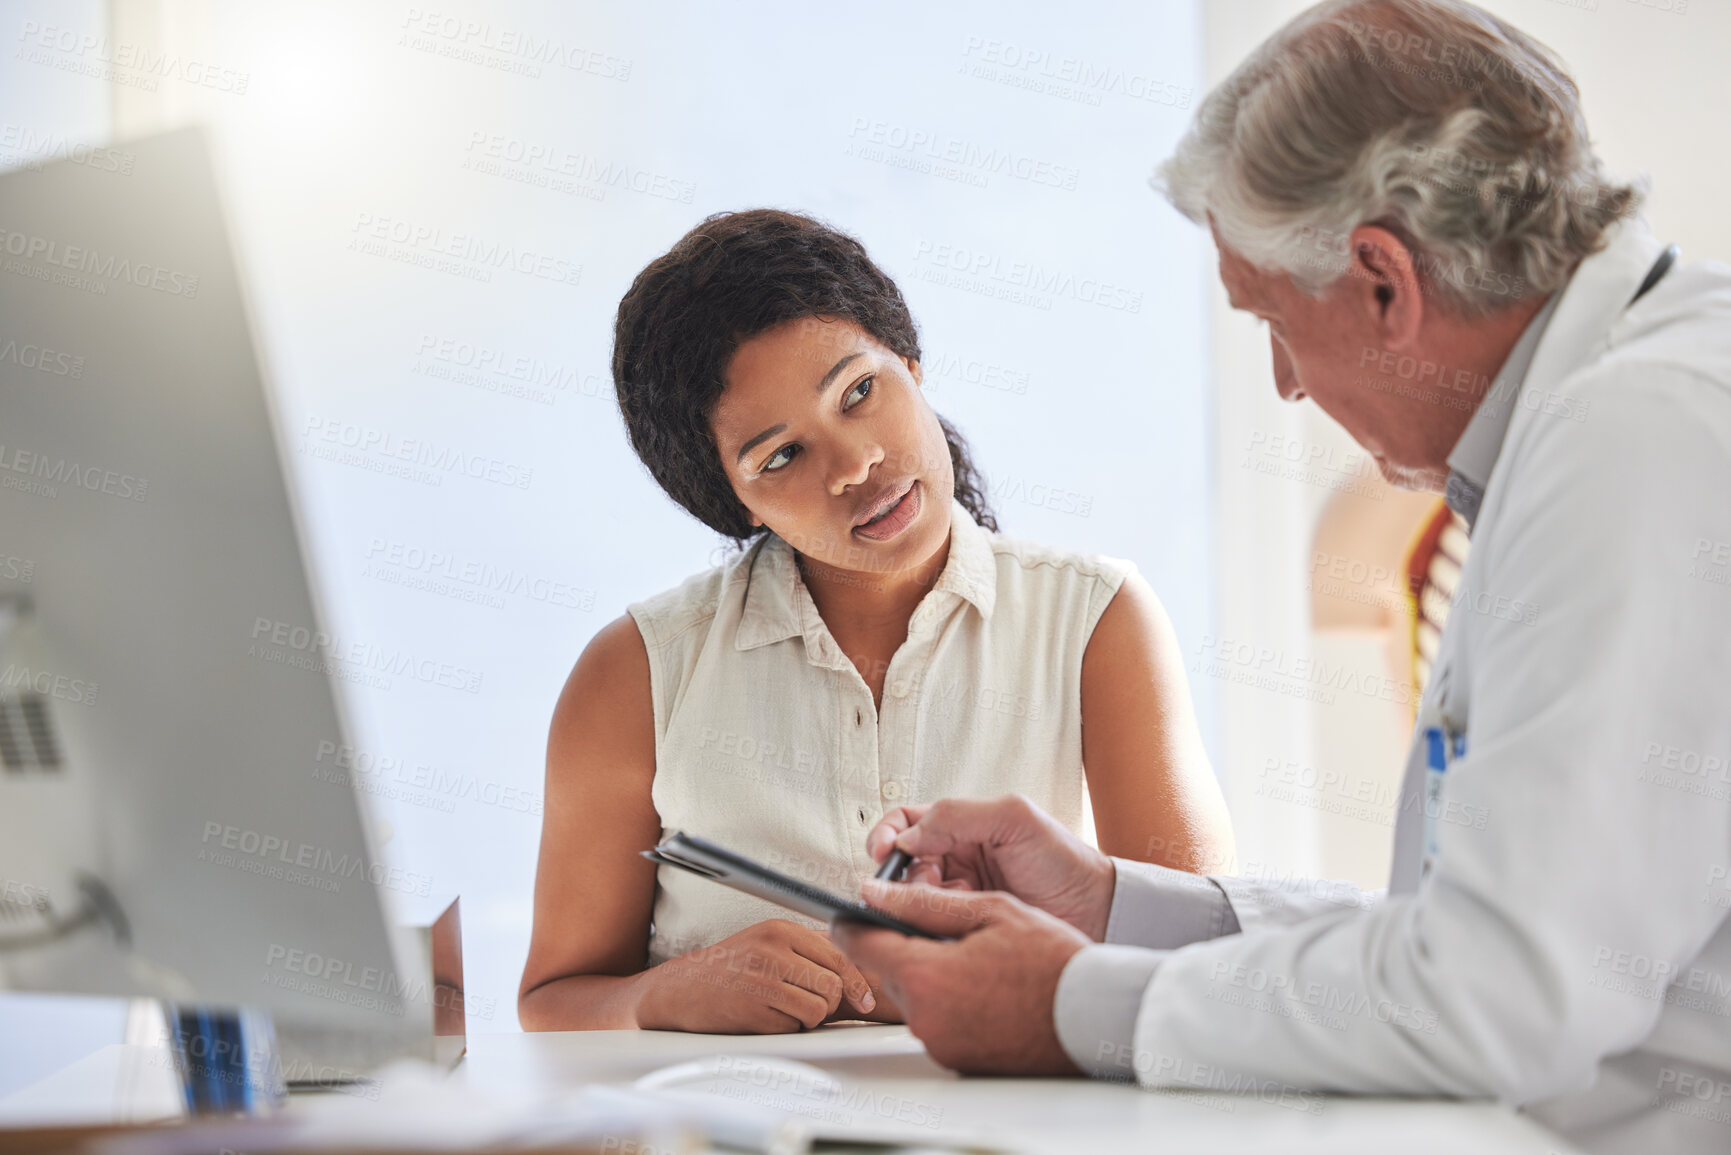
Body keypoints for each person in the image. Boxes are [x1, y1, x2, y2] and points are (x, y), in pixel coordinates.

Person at [830, 3, 1731, 1153]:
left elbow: (1502, 1000)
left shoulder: (1640, 438)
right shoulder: (1602, 415)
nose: (1284, 384)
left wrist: (1069, 1008)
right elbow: (1462, 936)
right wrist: (1116, 913)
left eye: (1271, 320)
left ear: (1382, 282)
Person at [518, 209, 1234, 1035]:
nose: (855, 464)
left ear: (911, 363)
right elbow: (553, 1001)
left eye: (859, 392)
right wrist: (659, 994)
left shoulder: (1094, 619)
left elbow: (1200, 956)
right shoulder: (635, 672)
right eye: (781, 456)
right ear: (733, 503)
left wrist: (1029, 970)